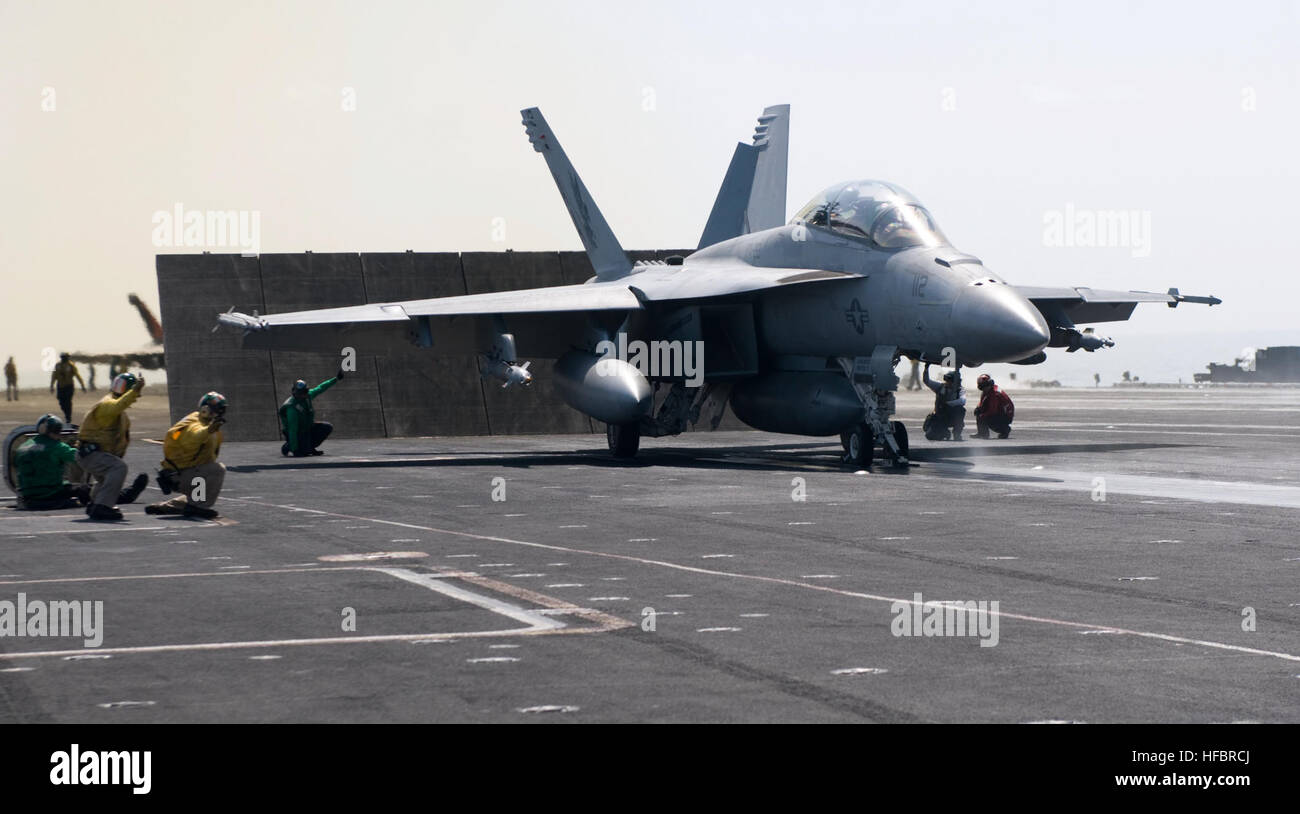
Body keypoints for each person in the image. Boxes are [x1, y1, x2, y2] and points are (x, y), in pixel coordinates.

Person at [76, 372, 149, 521]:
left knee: (105, 479)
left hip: (93, 454)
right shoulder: (107, 405)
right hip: (91, 454)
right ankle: (103, 507)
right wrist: (135, 391)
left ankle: (95, 503)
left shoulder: (118, 412)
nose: (137, 397)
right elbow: (119, 405)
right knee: (118, 468)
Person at [147, 392, 227, 519]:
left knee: (203, 483)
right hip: (179, 475)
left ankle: (171, 506)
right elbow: (193, 437)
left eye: (219, 412)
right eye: (214, 411)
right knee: (217, 469)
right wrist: (208, 431)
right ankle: (198, 507)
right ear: (205, 409)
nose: (216, 415)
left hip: (183, 473)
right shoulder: (195, 423)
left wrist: (210, 429)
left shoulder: (208, 426)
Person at [13, 414, 90, 510]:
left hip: (26, 494)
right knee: (84, 489)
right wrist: (88, 448)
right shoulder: (57, 446)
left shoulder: (22, 447)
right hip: (50, 492)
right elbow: (77, 457)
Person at [278, 370, 344, 456]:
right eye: (299, 393)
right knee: (303, 451)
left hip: (307, 427)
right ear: (294, 392)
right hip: (297, 432)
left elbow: (321, 388)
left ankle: (310, 447)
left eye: (304, 392)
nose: (302, 395)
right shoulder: (291, 407)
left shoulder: (308, 395)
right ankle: (288, 446)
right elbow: (292, 430)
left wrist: (336, 379)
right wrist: (295, 451)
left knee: (327, 427)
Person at [922, 364, 966, 441]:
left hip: (952, 417)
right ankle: (945, 432)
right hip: (940, 417)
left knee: (961, 410)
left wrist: (948, 403)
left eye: (950, 380)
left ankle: (957, 434)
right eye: (946, 380)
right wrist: (926, 369)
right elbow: (927, 381)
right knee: (930, 435)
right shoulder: (940, 387)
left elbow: (962, 401)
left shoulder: (960, 390)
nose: (947, 382)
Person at [973, 374, 1015, 439]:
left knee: (984, 417)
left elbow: (992, 410)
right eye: (982, 386)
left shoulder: (994, 393)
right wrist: (978, 408)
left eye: (985, 386)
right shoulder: (987, 390)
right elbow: (982, 403)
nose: (984, 388)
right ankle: (981, 433)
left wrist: (983, 415)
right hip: (1001, 412)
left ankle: (1004, 430)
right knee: (979, 412)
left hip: (1005, 416)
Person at [49, 353, 86, 423]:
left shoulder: (71, 365)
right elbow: (54, 376)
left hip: (69, 386)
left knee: (68, 401)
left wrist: (82, 385)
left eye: (65, 357)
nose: (64, 359)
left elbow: (77, 375)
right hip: (60, 386)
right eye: (63, 357)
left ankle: (68, 416)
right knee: (61, 401)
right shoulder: (57, 365)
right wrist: (52, 386)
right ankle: (66, 413)